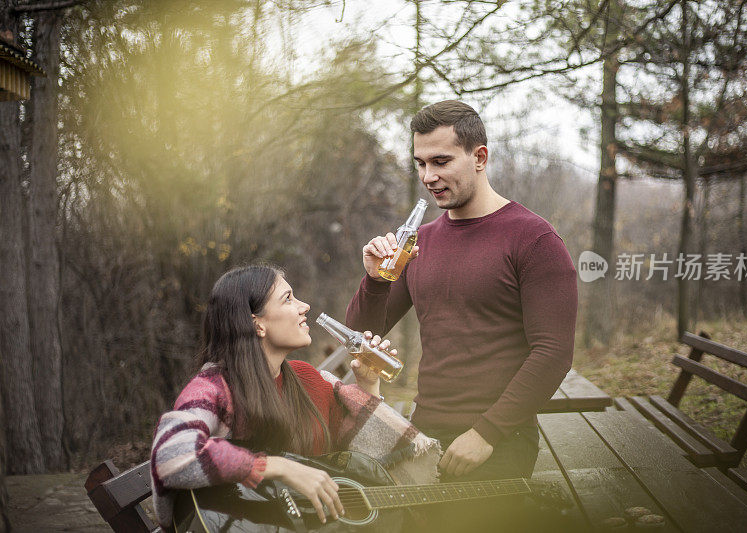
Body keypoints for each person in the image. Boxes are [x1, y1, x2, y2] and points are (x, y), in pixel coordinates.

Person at [346, 100, 578, 530]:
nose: (428, 176)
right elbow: (362, 335)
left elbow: (553, 353)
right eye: (420, 163)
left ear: (480, 156)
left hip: (497, 440)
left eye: (440, 161)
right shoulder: (420, 243)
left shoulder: (534, 239)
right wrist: (376, 281)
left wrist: (487, 434)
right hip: (424, 430)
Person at [150, 264, 396, 529]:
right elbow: (171, 455)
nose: (305, 306)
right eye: (288, 299)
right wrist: (278, 467)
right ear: (257, 325)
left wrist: (368, 385)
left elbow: (359, 460)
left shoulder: (307, 378)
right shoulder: (214, 388)